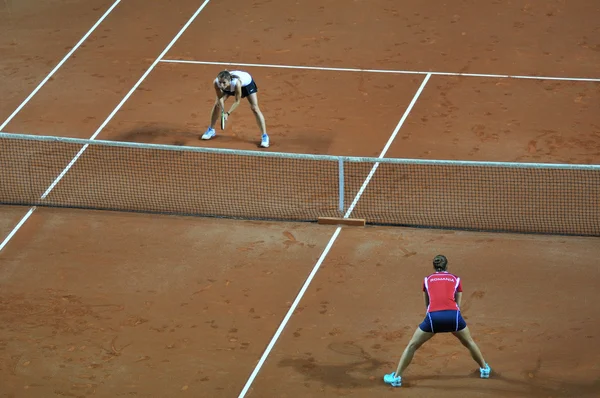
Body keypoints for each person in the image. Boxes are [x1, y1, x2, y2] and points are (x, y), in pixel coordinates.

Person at [383, 255, 491, 387]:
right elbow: (458, 304)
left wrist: (434, 323)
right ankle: (485, 369)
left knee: (412, 345)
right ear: (447, 266)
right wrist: (452, 322)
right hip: (453, 317)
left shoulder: (427, 280)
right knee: (469, 342)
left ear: (433, 266)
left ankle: (396, 378)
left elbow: (427, 305)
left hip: (433, 318)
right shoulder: (456, 279)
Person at [201, 70, 270, 148]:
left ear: (229, 81)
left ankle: (265, 136)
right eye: (220, 82)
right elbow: (220, 98)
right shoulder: (216, 83)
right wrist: (223, 110)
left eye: (224, 83)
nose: (221, 85)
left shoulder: (236, 83)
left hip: (246, 85)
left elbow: (237, 101)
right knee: (217, 104)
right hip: (230, 87)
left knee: (254, 108)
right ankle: (211, 130)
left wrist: (228, 113)